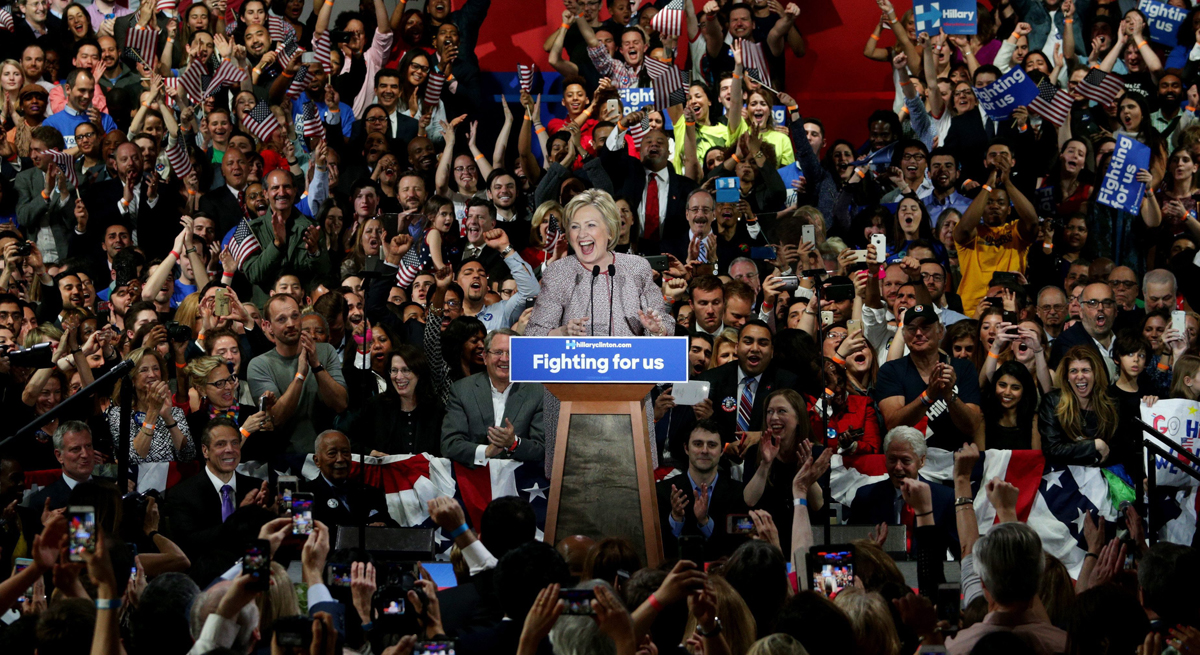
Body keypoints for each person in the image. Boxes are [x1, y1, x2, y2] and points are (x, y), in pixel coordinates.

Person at [943, 523, 1067, 654]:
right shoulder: (1066, 644)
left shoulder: (954, 646)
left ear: (983, 583)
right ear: (1039, 579)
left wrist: (930, 637)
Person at [247, 294, 348, 455]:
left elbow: (341, 404)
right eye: (281, 319)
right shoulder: (259, 365)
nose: (291, 324)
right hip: (285, 457)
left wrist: (316, 366)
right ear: (268, 326)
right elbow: (275, 419)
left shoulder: (325, 351)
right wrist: (300, 376)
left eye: (295, 316)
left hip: (328, 455)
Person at [875, 303, 982, 451]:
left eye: (925, 327)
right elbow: (893, 425)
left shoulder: (963, 368)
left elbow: (972, 426)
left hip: (955, 459)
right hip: (909, 461)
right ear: (904, 335)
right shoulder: (891, 370)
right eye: (912, 329)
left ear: (940, 332)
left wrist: (950, 396)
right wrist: (928, 396)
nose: (918, 333)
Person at [163, 418, 267, 560]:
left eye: (235, 443)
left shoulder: (256, 488)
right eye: (221, 444)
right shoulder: (182, 494)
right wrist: (238, 517)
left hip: (252, 570)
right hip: (207, 576)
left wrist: (273, 513)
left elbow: (265, 539)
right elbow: (189, 545)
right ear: (205, 451)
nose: (230, 449)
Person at [847, 426, 959, 557]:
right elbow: (853, 550)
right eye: (892, 460)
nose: (898, 467)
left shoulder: (945, 498)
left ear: (921, 461)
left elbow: (960, 552)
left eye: (905, 460)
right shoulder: (865, 497)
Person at [440, 329, 546, 468]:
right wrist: (486, 451)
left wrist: (513, 443)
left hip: (519, 481)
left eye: (511, 353)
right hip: (473, 479)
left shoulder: (537, 392)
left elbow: (542, 449)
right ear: (485, 357)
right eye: (498, 352)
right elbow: (449, 444)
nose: (504, 359)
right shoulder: (462, 390)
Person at [656, 420, 747, 562]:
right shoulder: (663, 491)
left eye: (712, 445)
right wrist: (676, 518)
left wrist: (705, 522)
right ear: (686, 448)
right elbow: (658, 547)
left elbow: (739, 544)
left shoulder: (739, 493)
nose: (704, 450)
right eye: (698, 444)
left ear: (722, 450)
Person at [351, 344, 446, 457]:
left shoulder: (435, 408)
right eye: (394, 370)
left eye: (406, 370)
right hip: (386, 472)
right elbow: (347, 439)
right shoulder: (375, 406)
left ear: (419, 373)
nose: (399, 377)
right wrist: (371, 452)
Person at [300, 430, 397, 534]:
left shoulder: (371, 492)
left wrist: (384, 526)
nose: (340, 459)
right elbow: (301, 537)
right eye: (332, 453)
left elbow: (395, 531)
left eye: (345, 452)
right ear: (317, 461)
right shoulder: (303, 495)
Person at [23, 420, 94, 511]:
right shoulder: (43, 503)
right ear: (59, 456)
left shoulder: (113, 488)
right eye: (76, 449)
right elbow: (84, 526)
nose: (85, 454)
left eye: (88, 446)